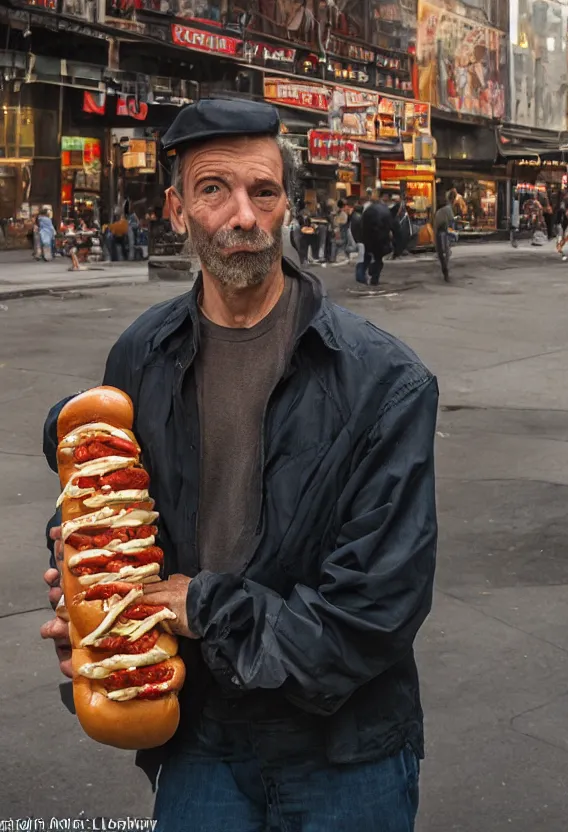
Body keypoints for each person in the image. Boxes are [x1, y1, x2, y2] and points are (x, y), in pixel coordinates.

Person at [39, 98, 438, 831]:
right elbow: (118, 504)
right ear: (177, 208)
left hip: (344, 752)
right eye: (214, 189)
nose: (243, 216)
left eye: (264, 190)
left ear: (288, 203)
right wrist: (85, 565)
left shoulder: (384, 379)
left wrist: (203, 606)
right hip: (201, 746)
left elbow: (378, 609)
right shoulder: (139, 355)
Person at [360, 190, 395, 286]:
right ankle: (374, 276)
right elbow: (389, 225)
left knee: (372, 257)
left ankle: (370, 275)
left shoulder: (368, 210)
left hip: (369, 238)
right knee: (379, 260)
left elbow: (362, 224)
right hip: (381, 239)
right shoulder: (385, 210)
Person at [432, 189, 458, 282]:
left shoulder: (442, 209)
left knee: (442, 254)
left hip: (439, 232)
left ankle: (445, 272)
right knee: (445, 254)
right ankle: (445, 273)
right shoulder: (448, 209)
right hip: (443, 233)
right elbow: (451, 224)